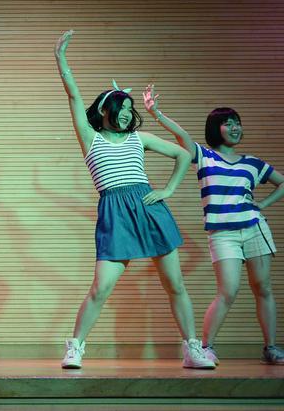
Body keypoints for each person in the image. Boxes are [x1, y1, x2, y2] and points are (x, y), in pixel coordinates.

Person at [54, 31, 214, 370]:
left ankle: (192, 349)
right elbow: (72, 95)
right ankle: (75, 348)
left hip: (148, 207)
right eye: (121, 108)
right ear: (104, 110)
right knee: (100, 288)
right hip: (115, 211)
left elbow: (184, 155)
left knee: (175, 284)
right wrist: (61, 58)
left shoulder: (139, 138)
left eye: (130, 109)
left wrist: (169, 190)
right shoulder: (90, 138)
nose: (127, 114)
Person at [145, 85, 284, 365]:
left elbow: (282, 183)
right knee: (228, 291)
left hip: (255, 228)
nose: (235, 128)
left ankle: (270, 347)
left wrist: (262, 205)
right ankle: (206, 347)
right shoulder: (205, 156)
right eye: (227, 123)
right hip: (222, 233)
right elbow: (182, 138)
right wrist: (156, 113)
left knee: (263, 288)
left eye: (237, 123)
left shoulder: (253, 163)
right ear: (215, 128)